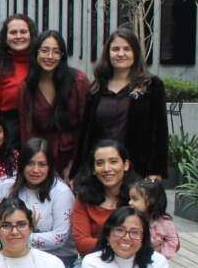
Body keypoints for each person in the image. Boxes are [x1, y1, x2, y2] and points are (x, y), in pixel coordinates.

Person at [73, 27, 170, 180]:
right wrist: (76, 172)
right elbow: (85, 134)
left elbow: (159, 132)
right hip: (101, 171)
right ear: (108, 53)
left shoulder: (151, 86)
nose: (121, 54)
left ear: (135, 53)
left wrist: (156, 171)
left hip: (137, 171)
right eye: (115, 49)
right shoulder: (96, 89)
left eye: (127, 49)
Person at [69, 140, 140, 268]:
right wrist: (122, 242)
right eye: (100, 163)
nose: (106, 168)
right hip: (92, 262)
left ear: (125, 165)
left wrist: (105, 242)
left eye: (113, 161)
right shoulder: (83, 197)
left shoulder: (139, 197)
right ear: (93, 169)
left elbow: (145, 239)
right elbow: (82, 243)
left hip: (131, 264)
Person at [0, 138, 76, 268]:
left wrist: (17, 236)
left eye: (42, 164)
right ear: (22, 164)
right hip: (12, 254)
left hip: (56, 258)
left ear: (49, 166)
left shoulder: (61, 193)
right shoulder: (7, 187)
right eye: (30, 164)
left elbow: (59, 237)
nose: (35, 170)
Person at [19, 31, 89, 178]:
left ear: (62, 56)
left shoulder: (78, 81)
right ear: (36, 53)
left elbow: (85, 127)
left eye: (56, 52)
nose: (50, 56)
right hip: (41, 162)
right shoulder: (28, 87)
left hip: (74, 159)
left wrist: (74, 166)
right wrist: (36, 167)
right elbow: (27, 131)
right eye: (44, 50)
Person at [0, 14, 36, 146]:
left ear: (31, 35)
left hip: (38, 128)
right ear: (5, 38)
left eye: (23, 32)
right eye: (13, 32)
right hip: (10, 132)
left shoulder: (40, 63)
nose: (18, 36)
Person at [128, 179, 179, 259]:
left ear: (151, 201)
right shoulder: (130, 218)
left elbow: (173, 241)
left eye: (135, 199)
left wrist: (159, 256)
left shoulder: (165, 223)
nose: (130, 202)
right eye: (130, 198)